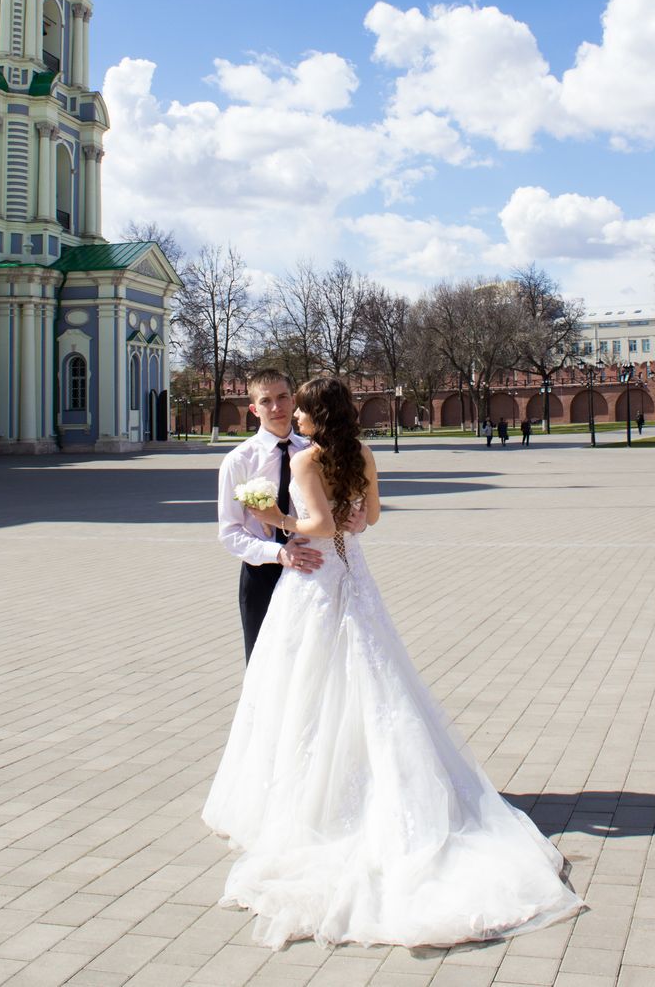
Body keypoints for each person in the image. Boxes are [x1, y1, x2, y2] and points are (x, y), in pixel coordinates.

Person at [203, 376, 582, 950]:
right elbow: (366, 519)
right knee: (356, 682)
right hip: (345, 576)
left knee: (314, 686)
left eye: (296, 404)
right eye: (275, 402)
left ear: (309, 412)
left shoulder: (306, 462)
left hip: (312, 581)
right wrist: (298, 533)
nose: (289, 412)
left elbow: (321, 527)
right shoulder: (354, 452)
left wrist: (281, 522)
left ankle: (312, 799)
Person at [217, 367, 363, 661]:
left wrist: (358, 522)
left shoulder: (316, 452)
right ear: (253, 409)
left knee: (313, 666)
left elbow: (341, 505)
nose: (276, 407)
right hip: (263, 572)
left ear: (294, 400)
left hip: (313, 570)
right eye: (266, 401)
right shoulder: (239, 461)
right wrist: (278, 553)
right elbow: (229, 532)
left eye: (283, 397)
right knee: (265, 666)